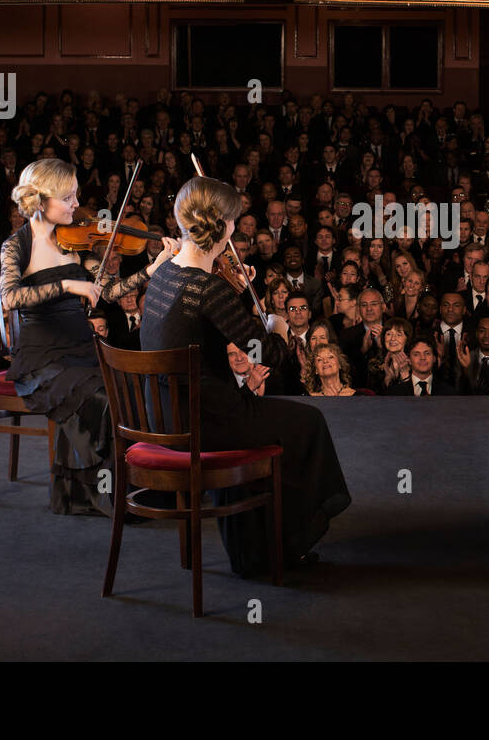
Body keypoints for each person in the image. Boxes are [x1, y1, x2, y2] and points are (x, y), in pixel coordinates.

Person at [141, 176, 351, 577]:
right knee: (308, 423)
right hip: (204, 422)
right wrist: (276, 323)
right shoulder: (209, 289)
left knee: (273, 423)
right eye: (234, 222)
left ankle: (257, 549)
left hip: (163, 415)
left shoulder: (164, 274)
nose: (237, 229)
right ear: (220, 226)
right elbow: (270, 353)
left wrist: (235, 293)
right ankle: (283, 544)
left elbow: (198, 326)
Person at [0, 159, 177, 515]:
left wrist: (151, 269)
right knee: (105, 398)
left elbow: (110, 290)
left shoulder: (73, 242)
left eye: (75, 196)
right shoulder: (15, 246)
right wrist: (65, 284)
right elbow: (10, 297)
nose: (76, 206)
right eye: (67, 198)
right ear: (40, 200)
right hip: (43, 361)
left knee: (131, 389)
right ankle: (112, 495)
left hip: (82, 350)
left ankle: (142, 485)